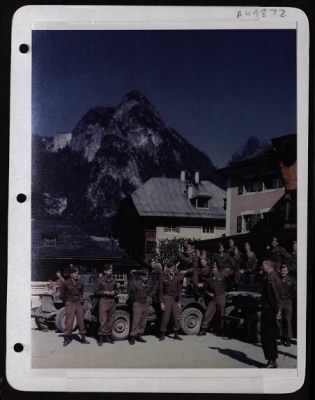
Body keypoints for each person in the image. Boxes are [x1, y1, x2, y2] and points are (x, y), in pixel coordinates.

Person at [198, 263, 232, 336]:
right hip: (213, 298)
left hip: (221, 296)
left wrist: (225, 292)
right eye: (213, 269)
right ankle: (203, 329)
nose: (214, 270)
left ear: (218, 270)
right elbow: (205, 289)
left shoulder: (223, 277)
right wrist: (209, 293)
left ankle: (220, 330)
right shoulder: (209, 280)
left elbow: (229, 284)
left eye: (215, 269)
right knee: (208, 313)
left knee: (221, 313)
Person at [60, 265, 90, 346]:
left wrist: (81, 299)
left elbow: (81, 292)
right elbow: (62, 295)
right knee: (69, 321)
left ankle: (83, 338)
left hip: (78, 303)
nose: (77, 274)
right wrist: (66, 302)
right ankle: (66, 338)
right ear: (70, 274)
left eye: (77, 273)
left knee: (81, 320)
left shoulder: (80, 282)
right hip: (70, 302)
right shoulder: (65, 283)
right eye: (75, 273)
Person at [260, 260, 282, 368]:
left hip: (270, 310)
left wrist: (278, 310)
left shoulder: (272, 277)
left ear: (268, 266)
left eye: (263, 265)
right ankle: (270, 359)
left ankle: (272, 360)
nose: (261, 266)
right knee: (266, 335)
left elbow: (276, 295)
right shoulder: (268, 276)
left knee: (269, 336)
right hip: (267, 309)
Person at [159, 262, 185, 341]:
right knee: (165, 317)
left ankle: (176, 334)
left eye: (173, 268)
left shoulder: (177, 277)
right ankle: (162, 333)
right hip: (166, 298)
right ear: (167, 269)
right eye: (170, 268)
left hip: (175, 299)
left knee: (175, 316)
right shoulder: (163, 277)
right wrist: (162, 302)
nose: (172, 270)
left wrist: (180, 302)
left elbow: (179, 290)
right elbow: (160, 291)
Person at [94, 264, 119, 346]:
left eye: (111, 270)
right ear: (104, 271)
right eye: (108, 270)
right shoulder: (100, 280)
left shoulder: (113, 280)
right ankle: (100, 338)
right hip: (103, 300)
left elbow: (117, 290)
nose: (110, 272)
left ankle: (107, 336)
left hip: (112, 301)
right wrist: (105, 292)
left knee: (111, 320)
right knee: (103, 320)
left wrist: (114, 292)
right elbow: (96, 291)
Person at [128, 270, 151, 345]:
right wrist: (135, 300)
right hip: (137, 303)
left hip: (146, 303)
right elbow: (131, 293)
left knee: (143, 321)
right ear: (141, 276)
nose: (146, 278)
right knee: (136, 321)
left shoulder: (147, 284)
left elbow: (150, 291)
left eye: (147, 276)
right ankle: (132, 337)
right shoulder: (135, 283)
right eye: (145, 276)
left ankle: (139, 335)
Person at [278, 264, 296, 346]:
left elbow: (294, 292)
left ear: (287, 271)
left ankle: (288, 339)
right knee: (280, 320)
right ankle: (281, 338)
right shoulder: (277, 280)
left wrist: (289, 298)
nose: (283, 272)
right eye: (282, 271)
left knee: (288, 320)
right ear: (280, 271)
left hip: (288, 301)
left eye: (285, 271)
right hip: (279, 301)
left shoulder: (291, 280)